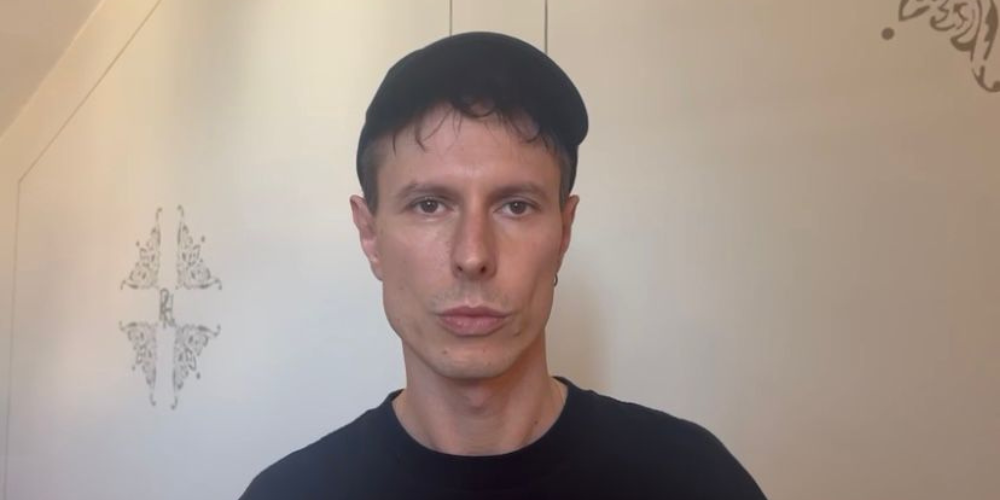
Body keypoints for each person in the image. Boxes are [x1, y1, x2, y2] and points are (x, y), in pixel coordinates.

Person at [240, 31, 767, 499]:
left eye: (516, 206)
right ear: (370, 234)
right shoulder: (289, 494)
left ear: (564, 232)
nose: (473, 255)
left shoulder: (694, 481)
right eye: (429, 205)